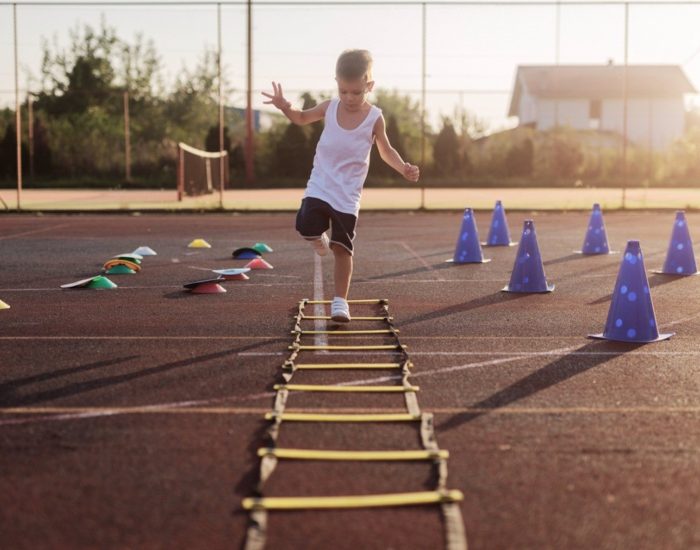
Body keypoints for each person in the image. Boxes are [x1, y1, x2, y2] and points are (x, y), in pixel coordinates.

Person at [262, 49, 420, 322]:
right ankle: (317, 240)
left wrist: (403, 167)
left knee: (343, 249)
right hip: (321, 184)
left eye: (356, 92)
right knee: (304, 224)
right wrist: (285, 106)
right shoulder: (329, 107)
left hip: (348, 195)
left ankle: (340, 302)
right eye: (344, 91)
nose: (349, 98)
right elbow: (301, 118)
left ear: (369, 86)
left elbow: (385, 150)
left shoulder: (375, 118)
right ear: (337, 82)